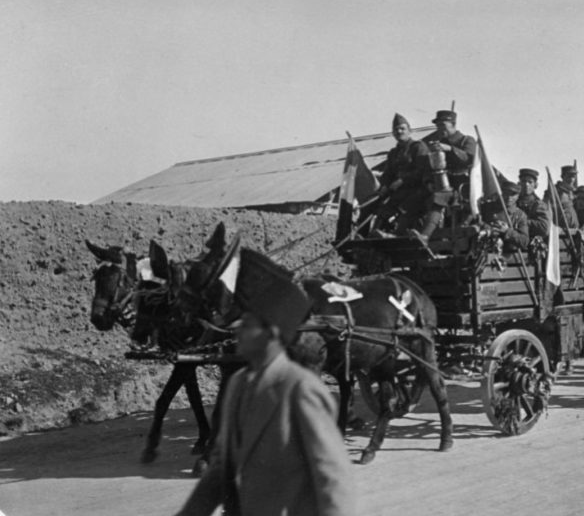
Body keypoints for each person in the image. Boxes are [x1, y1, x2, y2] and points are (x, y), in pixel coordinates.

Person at [175, 263, 356, 516]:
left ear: (270, 334)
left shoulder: (301, 389)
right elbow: (220, 470)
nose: (238, 330)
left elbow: (332, 478)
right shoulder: (238, 384)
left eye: (247, 324)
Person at [411, 110, 476, 241]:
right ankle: (402, 232)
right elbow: (429, 167)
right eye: (438, 126)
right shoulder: (438, 143)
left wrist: (450, 149)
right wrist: (428, 181)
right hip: (442, 183)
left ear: (453, 124)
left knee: (439, 197)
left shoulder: (467, 140)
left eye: (443, 125)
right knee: (415, 196)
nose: (440, 129)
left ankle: (425, 235)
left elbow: (470, 158)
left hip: (463, 187)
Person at [372, 113, 429, 235]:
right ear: (393, 133)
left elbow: (422, 170)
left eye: (402, 128)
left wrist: (402, 180)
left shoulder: (418, 147)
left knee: (405, 207)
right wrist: (384, 186)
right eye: (396, 129)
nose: (399, 131)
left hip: (416, 189)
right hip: (397, 191)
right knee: (379, 208)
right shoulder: (393, 153)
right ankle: (373, 235)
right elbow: (387, 173)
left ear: (410, 131)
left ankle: (398, 234)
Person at [484, 180, 529, 251]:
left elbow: (524, 241)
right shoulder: (487, 208)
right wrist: (486, 227)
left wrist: (507, 231)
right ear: (501, 193)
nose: (509, 197)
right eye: (506, 193)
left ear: (518, 196)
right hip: (486, 252)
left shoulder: (520, 215)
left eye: (513, 194)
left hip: (509, 257)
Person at [515, 168, 549, 239]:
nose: (526, 184)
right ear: (519, 183)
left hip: (531, 242)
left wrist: (523, 222)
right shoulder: (513, 201)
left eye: (530, 182)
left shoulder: (538, 204)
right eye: (523, 181)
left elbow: (544, 227)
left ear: (535, 185)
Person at [543, 165, 579, 229]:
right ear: (562, 177)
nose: (571, 179)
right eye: (568, 177)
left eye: (573, 177)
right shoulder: (554, 192)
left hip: (573, 231)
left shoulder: (573, 193)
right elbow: (546, 209)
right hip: (559, 231)